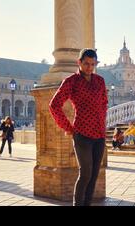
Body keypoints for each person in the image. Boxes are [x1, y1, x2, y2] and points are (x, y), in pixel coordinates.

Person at [49, 49, 108, 206]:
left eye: (93, 64)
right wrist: (67, 127)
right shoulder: (71, 81)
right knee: (86, 173)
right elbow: (54, 105)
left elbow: (104, 103)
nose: (89, 67)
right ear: (79, 63)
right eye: (86, 64)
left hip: (100, 134)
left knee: (94, 174)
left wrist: (102, 120)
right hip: (82, 134)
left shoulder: (100, 81)